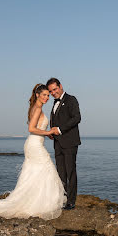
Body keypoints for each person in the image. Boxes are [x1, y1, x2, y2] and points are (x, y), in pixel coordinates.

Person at [0, 84, 66, 219]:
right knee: (46, 169)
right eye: (44, 95)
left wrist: (46, 134)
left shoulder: (35, 108)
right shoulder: (37, 108)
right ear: (37, 95)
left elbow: (36, 128)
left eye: (48, 95)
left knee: (34, 173)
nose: (46, 97)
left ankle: (34, 201)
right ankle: (39, 203)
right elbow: (31, 129)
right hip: (34, 145)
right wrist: (48, 131)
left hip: (34, 143)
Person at [46, 78, 81, 210]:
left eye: (55, 89)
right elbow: (56, 120)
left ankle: (71, 201)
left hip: (70, 141)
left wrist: (59, 129)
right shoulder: (54, 103)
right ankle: (63, 199)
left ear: (60, 86)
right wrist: (51, 131)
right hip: (57, 143)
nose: (53, 93)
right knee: (61, 172)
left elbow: (76, 118)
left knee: (70, 171)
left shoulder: (71, 99)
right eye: (50, 91)